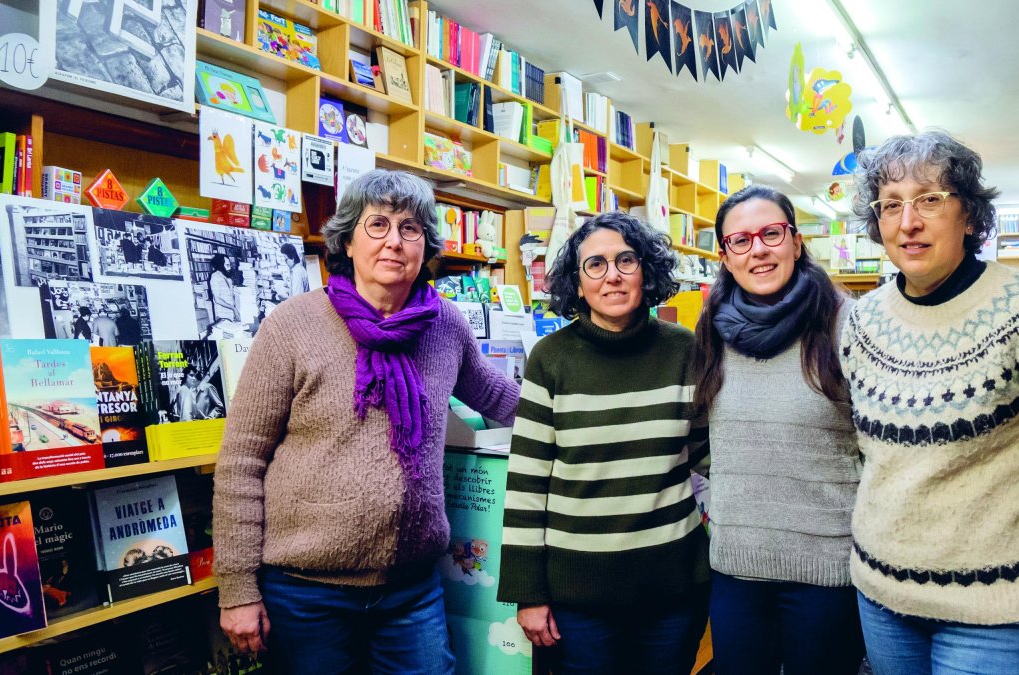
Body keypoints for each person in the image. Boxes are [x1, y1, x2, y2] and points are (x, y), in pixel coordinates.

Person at [841, 130, 1019, 674]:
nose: (908, 221)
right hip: (883, 598)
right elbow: (871, 454)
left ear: (969, 217)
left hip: (998, 613)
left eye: (930, 199)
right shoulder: (861, 323)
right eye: (891, 205)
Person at [213, 169, 520, 673]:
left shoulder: (445, 325)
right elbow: (241, 463)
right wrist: (238, 589)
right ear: (348, 241)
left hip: (412, 587)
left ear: (425, 246)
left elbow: (498, 396)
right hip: (306, 592)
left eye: (410, 228)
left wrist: (585, 412)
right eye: (377, 224)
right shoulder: (292, 325)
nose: (394, 241)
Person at [498, 212, 710, 675]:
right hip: (578, 600)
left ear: (646, 272)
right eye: (595, 264)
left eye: (626, 261)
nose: (612, 275)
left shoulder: (684, 350)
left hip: (673, 590)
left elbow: (709, 454)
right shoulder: (550, 359)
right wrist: (527, 593)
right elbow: (527, 483)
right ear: (577, 283)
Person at [690, 185, 865, 674]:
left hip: (828, 570)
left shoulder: (846, 324)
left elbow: (876, 443)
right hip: (736, 568)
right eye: (740, 240)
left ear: (796, 242)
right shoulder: (711, 330)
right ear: (725, 257)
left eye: (771, 233)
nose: (758, 250)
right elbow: (701, 433)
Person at [208, 253, 240, 324]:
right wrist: (233, 308)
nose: (229, 268)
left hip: (231, 313)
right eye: (227, 265)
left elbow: (231, 296)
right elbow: (217, 299)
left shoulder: (227, 277)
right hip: (222, 315)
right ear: (220, 265)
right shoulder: (215, 277)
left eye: (229, 265)